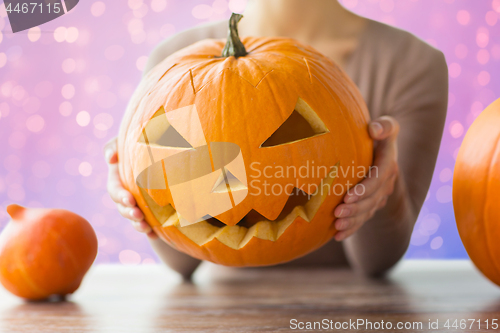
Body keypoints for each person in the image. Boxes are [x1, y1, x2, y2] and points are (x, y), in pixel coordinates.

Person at [105, 0, 448, 279]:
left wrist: (382, 189)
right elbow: (183, 260)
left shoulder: (413, 64)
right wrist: (137, 180)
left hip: (344, 313)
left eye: (287, 135)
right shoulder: (174, 60)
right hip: (219, 315)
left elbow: (378, 262)